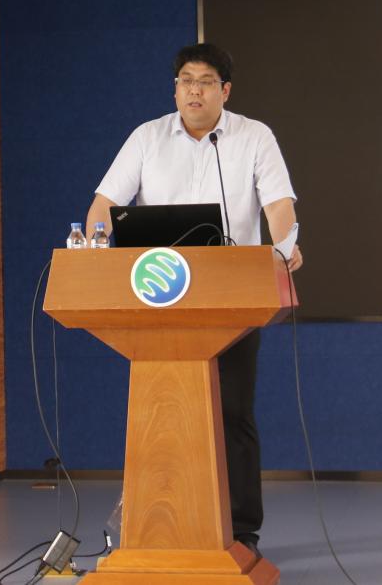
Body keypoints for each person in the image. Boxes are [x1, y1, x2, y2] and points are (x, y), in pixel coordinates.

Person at [85, 43, 302, 559]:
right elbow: (103, 206)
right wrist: (95, 247)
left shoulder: (253, 136)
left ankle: (242, 532)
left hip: (233, 296)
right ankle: (160, 528)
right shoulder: (147, 137)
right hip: (158, 294)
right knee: (162, 412)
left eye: (205, 82)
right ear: (175, 89)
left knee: (233, 412)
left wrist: (282, 248)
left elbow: (279, 207)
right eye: (186, 81)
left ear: (225, 91)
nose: (194, 91)